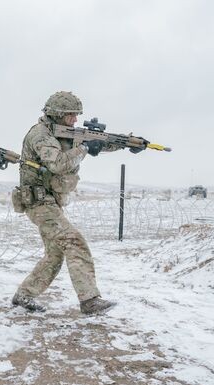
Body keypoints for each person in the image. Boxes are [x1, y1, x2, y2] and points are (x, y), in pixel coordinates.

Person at [11, 91, 144, 315]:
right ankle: (90, 300)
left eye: (76, 115)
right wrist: (84, 149)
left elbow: (98, 143)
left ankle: (24, 295)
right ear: (57, 114)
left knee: (54, 254)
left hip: (51, 202)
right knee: (74, 242)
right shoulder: (40, 135)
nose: (75, 119)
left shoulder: (63, 132)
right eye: (71, 115)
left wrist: (125, 143)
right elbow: (57, 163)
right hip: (38, 203)